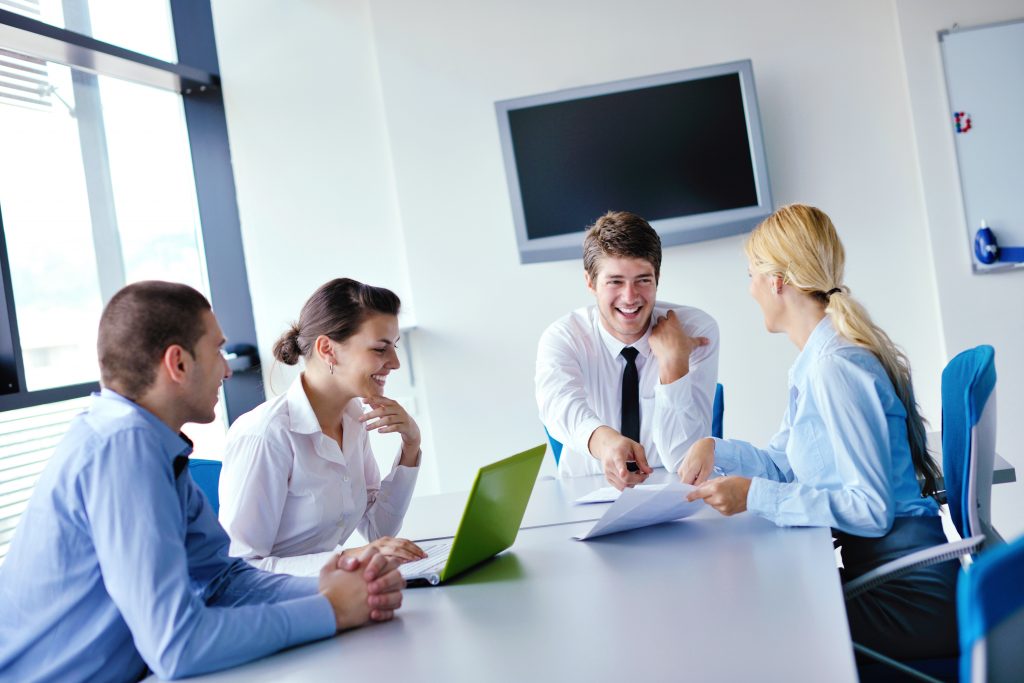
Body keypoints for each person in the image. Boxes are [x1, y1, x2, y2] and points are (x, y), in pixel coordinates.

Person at [0, 281, 405, 682]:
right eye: (217, 351)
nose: (228, 369)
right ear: (178, 364)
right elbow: (178, 646)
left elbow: (223, 581)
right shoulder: (124, 448)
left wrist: (339, 585)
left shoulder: (154, 444)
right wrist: (331, 611)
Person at [680, 204, 957, 660]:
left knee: (750, 631)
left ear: (777, 281)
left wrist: (754, 496)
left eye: (751, 275)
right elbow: (785, 465)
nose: (749, 290)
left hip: (907, 594)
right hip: (886, 576)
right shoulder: (816, 361)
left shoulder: (835, 369)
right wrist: (715, 448)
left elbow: (870, 511)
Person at [219, 278, 425, 576]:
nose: (394, 363)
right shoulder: (266, 434)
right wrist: (348, 558)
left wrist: (411, 444)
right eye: (381, 349)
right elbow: (242, 568)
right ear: (328, 349)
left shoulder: (354, 418)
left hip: (331, 594)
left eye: (393, 347)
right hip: (283, 608)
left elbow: (379, 531)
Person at [536, 211, 719, 490]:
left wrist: (673, 363)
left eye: (643, 280)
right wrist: (605, 442)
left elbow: (683, 459)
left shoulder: (695, 330)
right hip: (587, 493)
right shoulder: (563, 337)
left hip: (672, 491)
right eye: (615, 281)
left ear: (657, 277)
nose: (630, 297)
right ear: (590, 282)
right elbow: (560, 406)